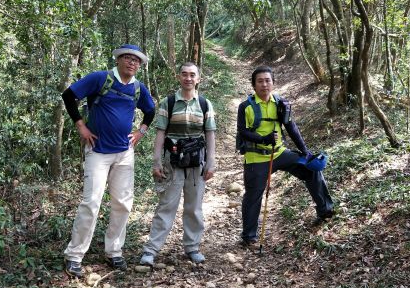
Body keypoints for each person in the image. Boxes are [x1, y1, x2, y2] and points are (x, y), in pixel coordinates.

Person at [60, 44, 156, 277]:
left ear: (140, 66)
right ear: (118, 59)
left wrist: (140, 132)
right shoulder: (100, 79)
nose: (132, 63)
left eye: (136, 60)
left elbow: (150, 111)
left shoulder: (138, 88)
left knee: (122, 203)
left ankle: (113, 251)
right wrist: (81, 125)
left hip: (124, 153)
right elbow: (68, 95)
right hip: (98, 151)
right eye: (127, 58)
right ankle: (74, 255)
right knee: (90, 203)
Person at [237, 65, 334, 247]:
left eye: (268, 80)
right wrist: (263, 139)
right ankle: (249, 236)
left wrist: (306, 152)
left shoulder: (280, 104)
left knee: (310, 169)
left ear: (273, 83)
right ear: (254, 84)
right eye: (260, 81)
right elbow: (242, 132)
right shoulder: (245, 107)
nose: (264, 85)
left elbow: (292, 128)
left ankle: (325, 210)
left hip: (280, 153)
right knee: (253, 196)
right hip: (256, 158)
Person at [139, 62, 216, 266]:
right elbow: (160, 133)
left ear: (198, 79)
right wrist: (156, 163)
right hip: (172, 161)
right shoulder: (169, 102)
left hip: (196, 162)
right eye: (184, 74)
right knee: (166, 206)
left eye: (192, 75)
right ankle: (151, 250)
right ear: (179, 77)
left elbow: (209, 133)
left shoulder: (205, 104)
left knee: (194, 207)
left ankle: (192, 247)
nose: (188, 78)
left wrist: (211, 162)